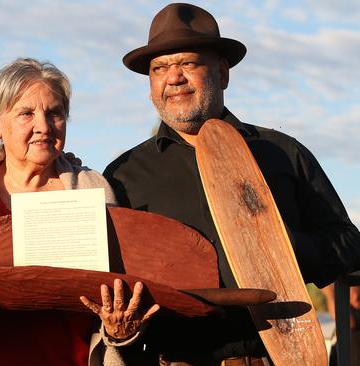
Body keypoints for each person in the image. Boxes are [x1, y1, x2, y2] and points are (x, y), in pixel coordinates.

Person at [103, 2, 360, 365]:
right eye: (159, 68)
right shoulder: (123, 175)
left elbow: (349, 243)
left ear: (222, 73)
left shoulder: (282, 154)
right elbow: (109, 282)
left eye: (188, 63)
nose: (173, 78)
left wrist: (286, 248)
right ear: (150, 85)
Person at [0, 58, 159, 366]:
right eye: (26, 113)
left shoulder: (92, 189)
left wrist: (118, 329)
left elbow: (118, 288)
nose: (43, 126)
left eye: (55, 113)